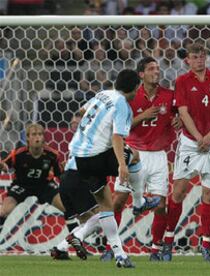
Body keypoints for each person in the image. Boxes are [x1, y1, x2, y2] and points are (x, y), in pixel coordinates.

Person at [69, 69, 140, 268]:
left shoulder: (103, 94)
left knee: (106, 206)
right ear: (135, 88)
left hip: (80, 158)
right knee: (135, 156)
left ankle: (119, 255)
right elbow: (117, 137)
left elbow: (82, 112)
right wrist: (122, 165)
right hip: (97, 157)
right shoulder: (123, 106)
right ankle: (141, 201)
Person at [112, 57, 179, 262]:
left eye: (158, 69)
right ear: (141, 74)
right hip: (134, 153)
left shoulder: (168, 95)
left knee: (160, 205)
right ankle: (111, 247)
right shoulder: (131, 96)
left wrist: (179, 120)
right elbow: (119, 127)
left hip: (159, 155)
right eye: (151, 69)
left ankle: (156, 249)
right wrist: (142, 116)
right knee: (119, 201)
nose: (156, 72)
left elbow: (181, 113)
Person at [161, 43, 210, 262]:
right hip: (189, 143)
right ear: (187, 60)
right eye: (195, 57)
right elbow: (183, 113)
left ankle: (206, 244)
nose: (199, 60)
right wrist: (198, 137)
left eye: (202, 56)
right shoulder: (182, 81)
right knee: (178, 192)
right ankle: (168, 241)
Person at [0, 123, 65, 230]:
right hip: (22, 185)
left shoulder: (52, 155)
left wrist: (65, 168)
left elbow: (59, 173)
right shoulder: (18, 154)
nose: (37, 137)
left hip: (44, 185)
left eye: (40, 134)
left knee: (66, 208)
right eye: (34, 134)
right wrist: (2, 165)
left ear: (43, 137)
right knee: (4, 211)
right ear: (28, 138)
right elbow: (5, 167)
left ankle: (75, 239)